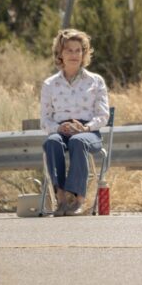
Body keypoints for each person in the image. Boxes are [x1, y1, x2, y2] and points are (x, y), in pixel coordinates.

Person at [40, 29, 109, 216]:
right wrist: (58, 127)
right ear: (60, 53)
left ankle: (78, 200)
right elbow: (45, 119)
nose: (74, 54)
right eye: (69, 50)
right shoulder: (50, 84)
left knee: (78, 141)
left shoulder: (96, 81)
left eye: (78, 50)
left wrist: (86, 127)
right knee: (52, 141)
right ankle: (61, 198)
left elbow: (103, 116)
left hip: (89, 132)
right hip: (61, 129)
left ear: (84, 53)